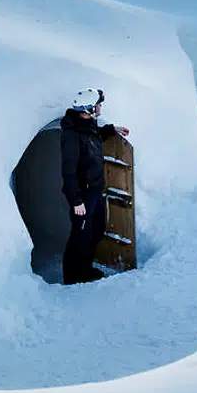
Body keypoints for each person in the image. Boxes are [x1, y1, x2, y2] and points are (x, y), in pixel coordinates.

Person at [60, 88, 130, 285]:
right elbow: (68, 171)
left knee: (96, 231)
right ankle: (73, 278)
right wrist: (76, 200)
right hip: (82, 195)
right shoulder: (71, 136)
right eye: (98, 105)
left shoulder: (87, 125)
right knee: (80, 237)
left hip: (95, 191)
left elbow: (93, 136)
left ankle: (86, 269)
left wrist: (111, 129)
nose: (100, 108)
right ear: (88, 109)